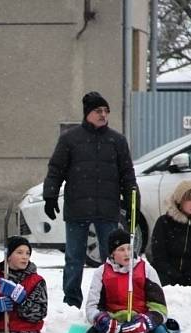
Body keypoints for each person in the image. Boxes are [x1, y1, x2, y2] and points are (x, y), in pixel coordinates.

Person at [42, 91, 137, 309]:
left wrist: (133, 201)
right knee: (74, 258)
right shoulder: (70, 139)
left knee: (110, 258)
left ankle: (109, 297)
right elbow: (56, 169)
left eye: (106, 111)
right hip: (77, 208)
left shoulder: (117, 141)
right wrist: (50, 194)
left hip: (107, 209)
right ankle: (71, 301)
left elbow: (127, 174)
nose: (103, 115)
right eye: (98, 111)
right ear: (88, 114)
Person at [150, 179, 191, 297]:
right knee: (157, 288)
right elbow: (158, 256)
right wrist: (175, 276)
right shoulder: (164, 222)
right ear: (179, 201)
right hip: (166, 274)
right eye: (189, 199)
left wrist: (189, 277)